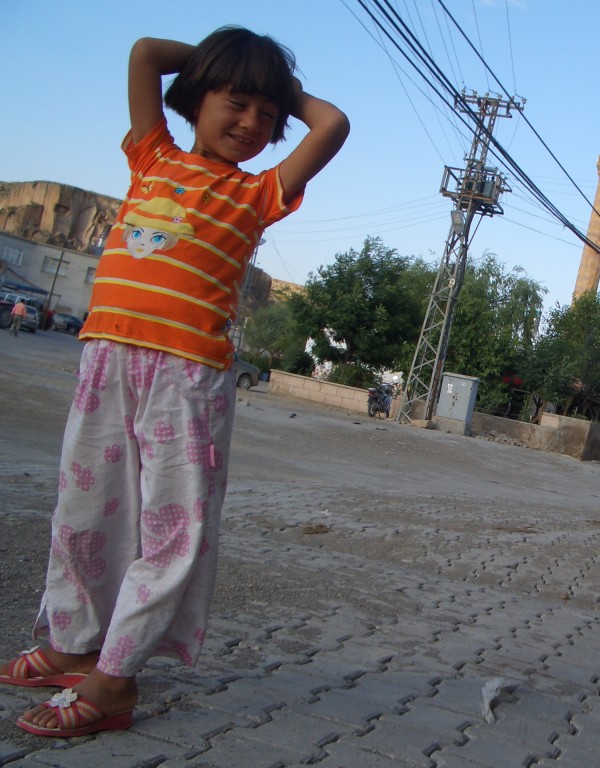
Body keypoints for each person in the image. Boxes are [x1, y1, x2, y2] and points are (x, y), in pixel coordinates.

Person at [0, 26, 349, 737]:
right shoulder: (151, 154)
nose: (252, 123)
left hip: (186, 379)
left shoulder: (259, 194)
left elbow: (332, 123)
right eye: (236, 101)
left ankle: (116, 677)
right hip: (107, 357)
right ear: (197, 98)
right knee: (83, 508)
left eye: (267, 116)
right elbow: (145, 54)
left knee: (170, 527)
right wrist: (220, 63)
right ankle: (71, 642)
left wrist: (262, 83)